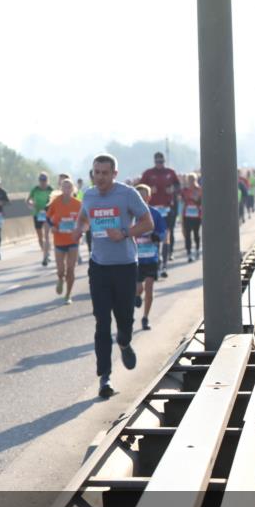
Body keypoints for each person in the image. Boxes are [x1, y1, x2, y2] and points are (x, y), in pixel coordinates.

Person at [72, 154, 153, 399]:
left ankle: (125, 342)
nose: (100, 177)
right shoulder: (89, 195)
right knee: (102, 322)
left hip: (125, 266)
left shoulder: (127, 194)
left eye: (105, 173)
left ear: (114, 174)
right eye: (96, 172)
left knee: (124, 320)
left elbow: (147, 222)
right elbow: (83, 217)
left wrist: (125, 233)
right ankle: (104, 377)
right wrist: (79, 229)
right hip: (99, 267)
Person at [133, 185, 168, 331]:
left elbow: (163, 233)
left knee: (149, 287)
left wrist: (157, 236)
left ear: (149, 197)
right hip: (135, 259)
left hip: (152, 257)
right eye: (138, 195)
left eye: (144, 195)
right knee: (138, 288)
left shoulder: (155, 214)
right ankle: (136, 296)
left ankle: (145, 318)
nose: (141, 198)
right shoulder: (131, 214)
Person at [141, 152, 179, 280]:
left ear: (164, 161)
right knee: (155, 238)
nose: (159, 164)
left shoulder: (170, 172)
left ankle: (164, 265)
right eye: (157, 162)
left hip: (167, 209)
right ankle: (157, 264)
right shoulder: (148, 173)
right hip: (153, 210)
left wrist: (173, 189)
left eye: (161, 162)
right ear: (154, 161)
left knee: (166, 236)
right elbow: (139, 188)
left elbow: (178, 185)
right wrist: (148, 190)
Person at [45, 178, 81, 304]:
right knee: (61, 270)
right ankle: (60, 279)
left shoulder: (78, 204)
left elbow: (83, 219)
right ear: (61, 189)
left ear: (73, 189)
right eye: (64, 187)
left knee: (71, 269)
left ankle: (68, 295)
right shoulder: (56, 202)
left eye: (69, 187)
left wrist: (80, 229)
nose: (66, 189)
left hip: (73, 240)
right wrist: (53, 227)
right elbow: (48, 217)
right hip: (59, 240)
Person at [27, 172, 53, 266]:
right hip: (37, 214)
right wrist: (31, 204)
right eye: (41, 180)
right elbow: (28, 200)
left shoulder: (50, 189)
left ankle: (46, 255)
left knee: (46, 235)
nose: (43, 182)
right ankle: (44, 251)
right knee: (40, 236)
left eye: (44, 180)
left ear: (47, 180)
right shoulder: (35, 189)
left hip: (47, 214)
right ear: (39, 181)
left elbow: (55, 200)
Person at [181, 173, 203, 262]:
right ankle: (189, 253)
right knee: (187, 234)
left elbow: (201, 202)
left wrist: (196, 200)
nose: (191, 182)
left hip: (197, 215)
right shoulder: (184, 190)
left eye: (193, 180)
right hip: (187, 215)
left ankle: (197, 249)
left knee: (196, 233)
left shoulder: (200, 190)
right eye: (189, 180)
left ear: (196, 180)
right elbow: (181, 200)